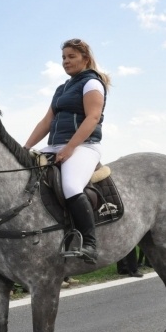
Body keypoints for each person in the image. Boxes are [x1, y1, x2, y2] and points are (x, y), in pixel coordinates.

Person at [25, 38, 109, 264]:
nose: (66, 61)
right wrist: (24, 148)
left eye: (71, 56)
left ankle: (90, 243)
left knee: (71, 186)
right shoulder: (62, 89)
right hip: (54, 144)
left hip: (84, 146)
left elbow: (92, 118)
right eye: (63, 57)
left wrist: (70, 148)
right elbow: (46, 122)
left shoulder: (92, 83)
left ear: (85, 58)